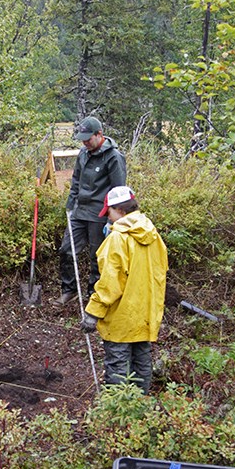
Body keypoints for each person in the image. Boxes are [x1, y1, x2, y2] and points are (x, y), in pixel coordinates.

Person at [80, 186, 167, 393]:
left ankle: (116, 416)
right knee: (142, 364)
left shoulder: (118, 238)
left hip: (121, 318)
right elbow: (160, 271)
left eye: (108, 213)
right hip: (146, 315)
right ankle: (139, 409)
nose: (107, 219)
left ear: (120, 210)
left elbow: (111, 282)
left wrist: (93, 312)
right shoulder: (153, 234)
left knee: (118, 367)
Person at [57, 116, 127, 305]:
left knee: (97, 257)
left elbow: (119, 190)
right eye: (83, 139)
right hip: (79, 211)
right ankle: (69, 290)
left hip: (100, 214)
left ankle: (93, 296)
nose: (85, 142)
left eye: (88, 138)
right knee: (66, 250)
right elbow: (76, 181)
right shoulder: (83, 153)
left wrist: (112, 219)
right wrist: (70, 206)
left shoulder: (114, 157)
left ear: (99, 134)